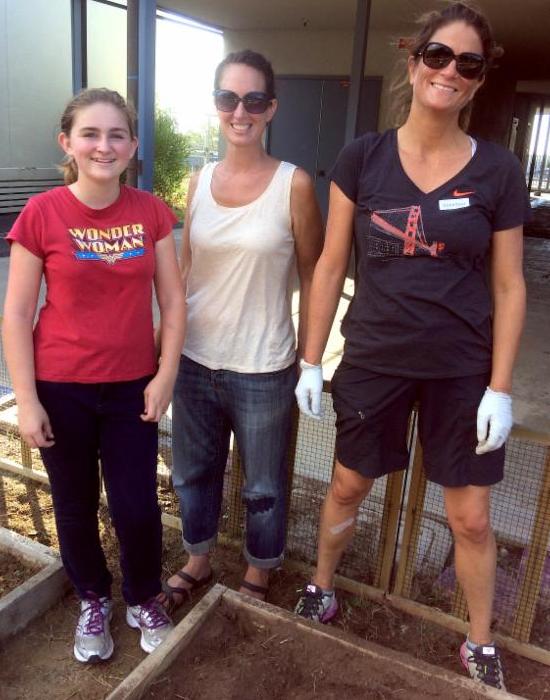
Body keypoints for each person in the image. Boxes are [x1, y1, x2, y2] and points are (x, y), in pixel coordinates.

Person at [293, 2, 529, 691]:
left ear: (479, 79)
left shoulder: (498, 170)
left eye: (468, 63)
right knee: (348, 485)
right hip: (375, 359)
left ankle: (480, 642)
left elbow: (510, 284)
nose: (449, 71)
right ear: (414, 59)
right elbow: (330, 263)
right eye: (438, 55)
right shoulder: (362, 157)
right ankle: (321, 588)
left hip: (462, 372)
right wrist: (311, 358)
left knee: (471, 517)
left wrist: (501, 388)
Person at [2, 88, 186, 663]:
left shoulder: (151, 212)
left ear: (132, 145)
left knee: (137, 504)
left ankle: (143, 596)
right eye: (90, 134)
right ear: (68, 143)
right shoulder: (42, 213)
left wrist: (165, 376)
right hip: (61, 389)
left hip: (132, 387)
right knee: (74, 503)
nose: (103, 146)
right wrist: (27, 399)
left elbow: (173, 304)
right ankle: (92, 597)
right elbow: (16, 314)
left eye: (116, 135)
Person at [160, 50, 323, 609]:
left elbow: (314, 272)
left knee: (264, 486)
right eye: (228, 98)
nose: (240, 111)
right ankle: (198, 559)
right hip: (195, 360)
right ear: (215, 104)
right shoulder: (197, 181)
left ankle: (259, 569)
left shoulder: (294, 184)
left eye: (254, 100)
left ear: (271, 108)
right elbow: (186, 270)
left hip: (264, 366)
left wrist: (310, 357)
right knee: (193, 473)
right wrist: (165, 346)